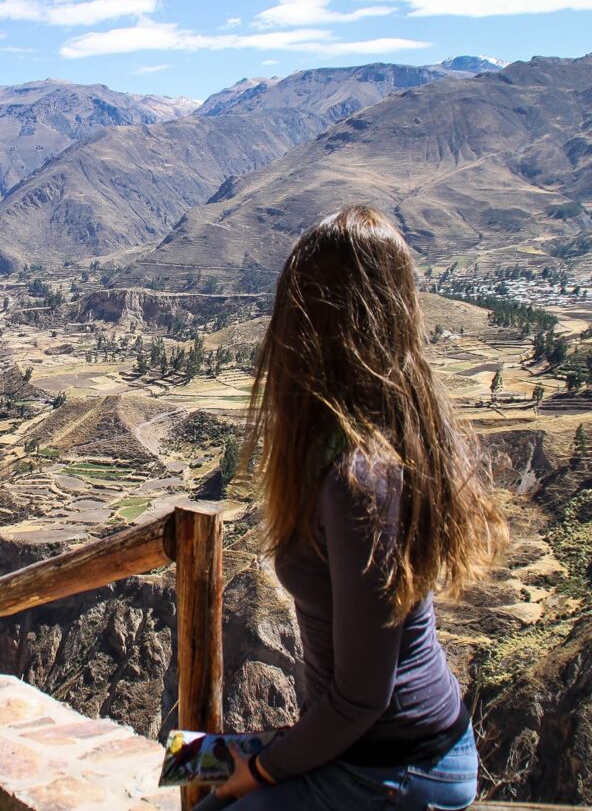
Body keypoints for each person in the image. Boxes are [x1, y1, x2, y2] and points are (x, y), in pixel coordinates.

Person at [194, 206, 508, 811]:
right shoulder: (355, 446)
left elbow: (364, 696)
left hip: (398, 762)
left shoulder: (361, 478)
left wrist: (259, 770)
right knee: (188, 762)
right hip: (360, 741)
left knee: (215, 800)